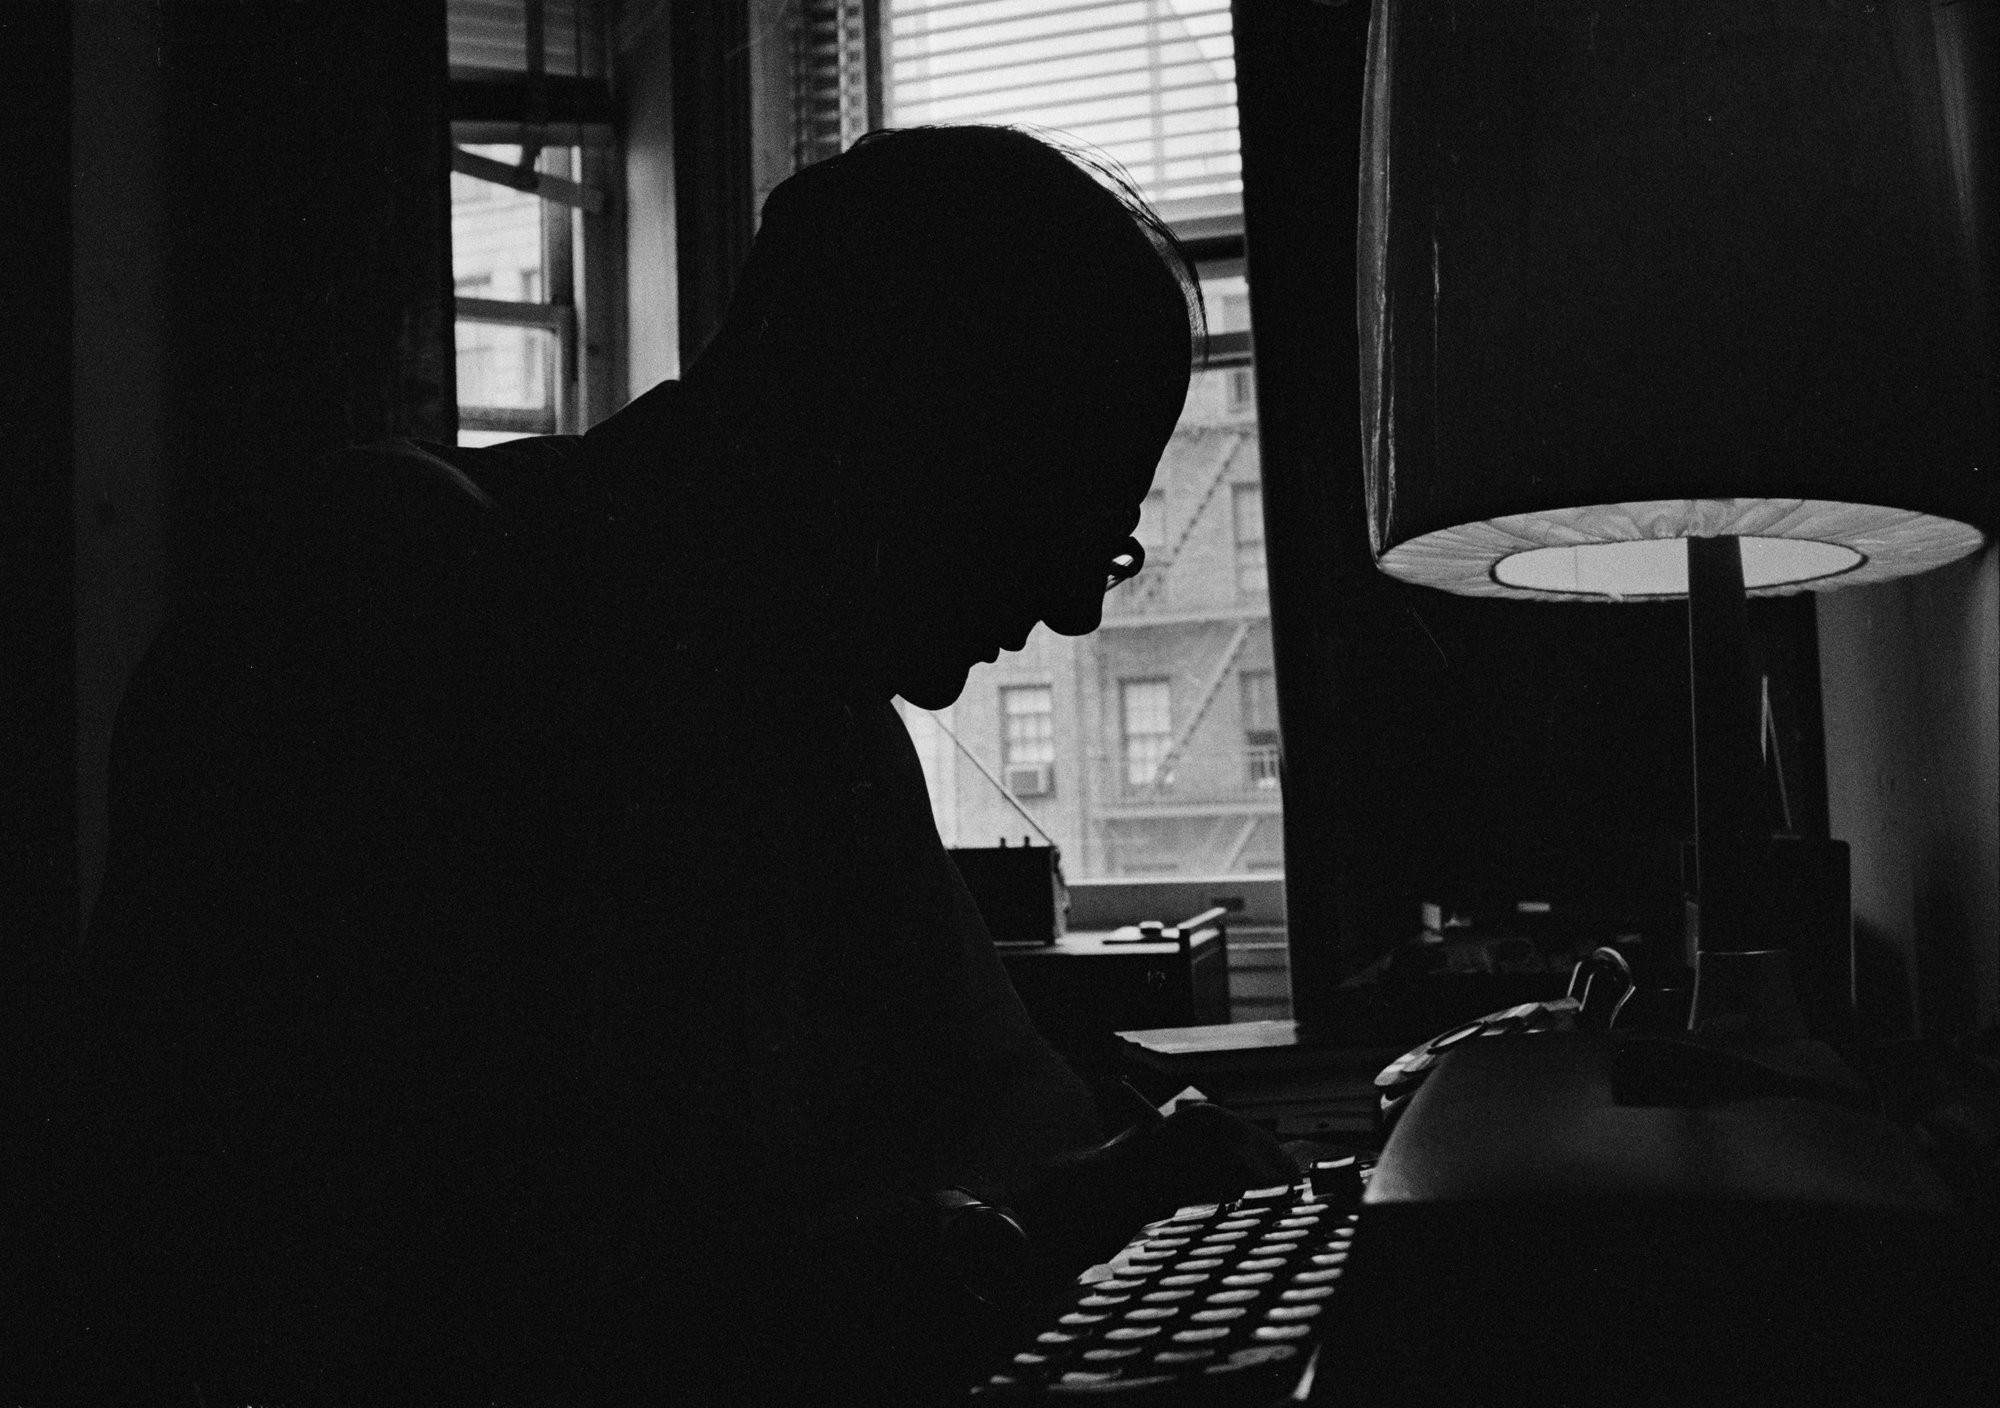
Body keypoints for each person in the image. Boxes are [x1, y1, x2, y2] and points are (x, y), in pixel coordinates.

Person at [65, 125, 1295, 1406]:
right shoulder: (386, 599)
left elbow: (997, 1100)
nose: (1076, 605)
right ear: (891, 406)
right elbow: (371, 1305)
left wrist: (1138, 1153)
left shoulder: (824, 715)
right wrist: (1033, 1225)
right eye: (1067, 512)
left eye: (1105, 546)